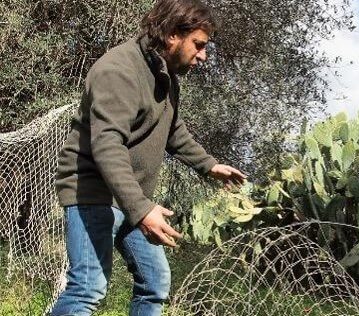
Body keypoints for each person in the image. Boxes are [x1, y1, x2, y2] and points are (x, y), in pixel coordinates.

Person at [50, 1, 245, 315]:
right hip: (94, 193)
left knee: (154, 283)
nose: (203, 55)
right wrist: (141, 210)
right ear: (171, 34)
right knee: (87, 288)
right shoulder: (119, 69)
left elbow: (172, 129)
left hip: (131, 199)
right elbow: (108, 146)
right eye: (198, 44)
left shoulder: (163, 76)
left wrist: (208, 165)